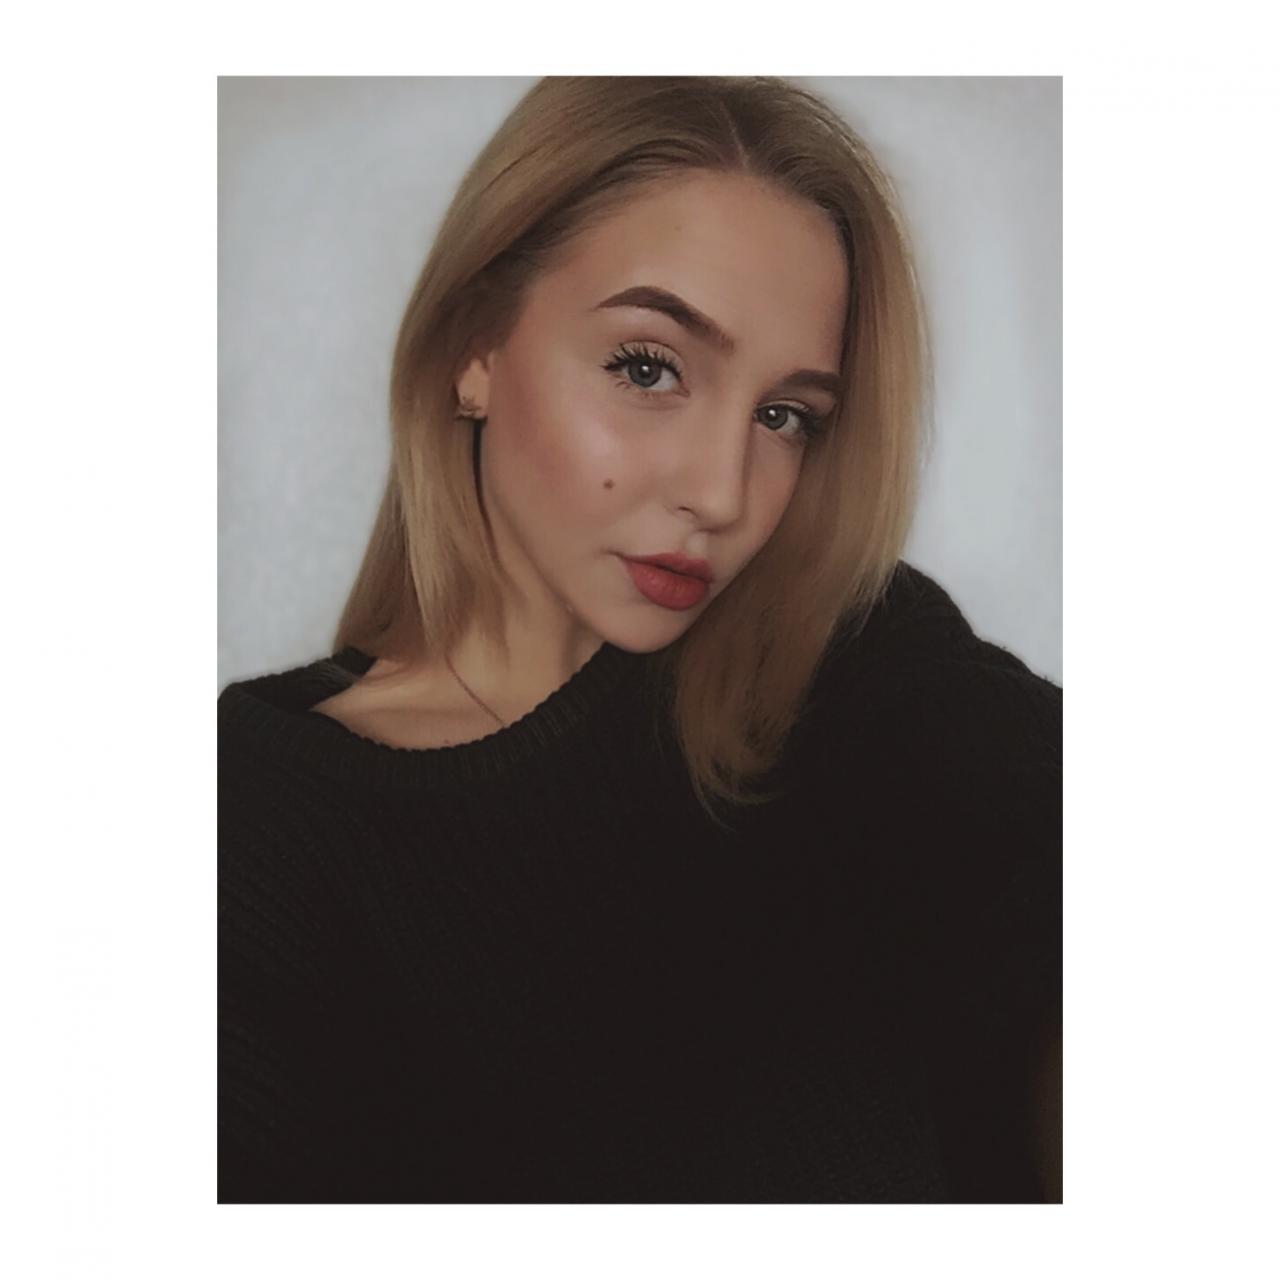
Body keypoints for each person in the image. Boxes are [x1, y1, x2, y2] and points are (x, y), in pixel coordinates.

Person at [218, 76, 1062, 1204]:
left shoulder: (850, 661)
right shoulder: (259, 826)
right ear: (475, 348)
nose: (722, 493)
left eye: (785, 416)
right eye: (647, 367)